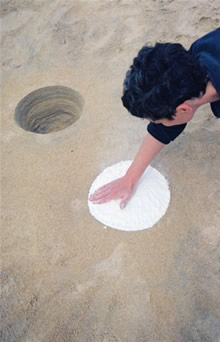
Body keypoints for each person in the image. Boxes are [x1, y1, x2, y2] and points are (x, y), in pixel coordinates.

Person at [89, 28, 220, 209]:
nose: (157, 124)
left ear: (183, 109)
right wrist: (130, 178)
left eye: (156, 121)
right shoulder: (201, 52)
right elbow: (167, 126)